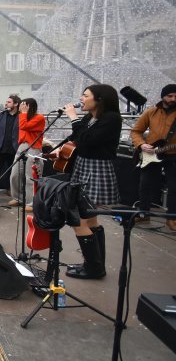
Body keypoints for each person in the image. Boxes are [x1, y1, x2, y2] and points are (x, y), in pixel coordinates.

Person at [57, 84, 122, 279]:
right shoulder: (90, 117)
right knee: (91, 219)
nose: (81, 99)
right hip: (83, 166)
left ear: (99, 99)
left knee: (79, 221)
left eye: (85, 95)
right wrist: (59, 148)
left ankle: (93, 268)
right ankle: (95, 265)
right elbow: (77, 138)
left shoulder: (111, 119)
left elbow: (87, 140)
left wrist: (73, 117)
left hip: (96, 170)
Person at [130, 84, 176, 231]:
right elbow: (136, 131)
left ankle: (172, 218)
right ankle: (144, 213)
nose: (173, 99)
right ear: (163, 96)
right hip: (152, 154)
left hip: (173, 155)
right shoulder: (151, 112)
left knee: (174, 187)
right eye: (170, 96)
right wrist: (141, 145)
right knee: (145, 184)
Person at [9, 98, 45, 208]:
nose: (21, 107)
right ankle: (18, 197)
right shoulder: (22, 117)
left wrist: (23, 113)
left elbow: (25, 126)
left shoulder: (39, 118)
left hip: (33, 147)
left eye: (24, 105)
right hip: (22, 146)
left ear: (30, 106)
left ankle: (31, 202)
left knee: (30, 176)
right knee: (15, 174)